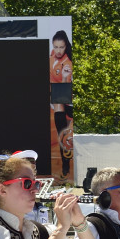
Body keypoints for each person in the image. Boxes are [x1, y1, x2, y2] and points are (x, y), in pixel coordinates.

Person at [49, 30, 74, 178]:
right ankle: (65, 163)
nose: (58, 50)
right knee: (61, 131)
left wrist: (65, 78)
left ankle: (66, 162)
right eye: (56, 47)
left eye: (61, 47)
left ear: (66, 47)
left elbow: (66, 88)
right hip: (56, 95)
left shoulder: (68, 64)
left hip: (64, 94)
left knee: (65, 134)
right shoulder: (52, 57)